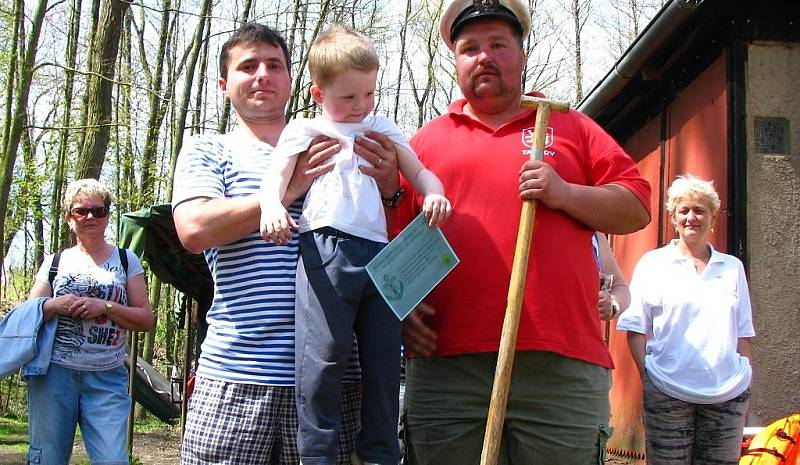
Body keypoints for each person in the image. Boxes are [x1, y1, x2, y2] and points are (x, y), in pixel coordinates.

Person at [396, 1, 652, 463]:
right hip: (447, 366)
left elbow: (636, 207)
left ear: (522, 54)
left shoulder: (568, 126)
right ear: (456, 61)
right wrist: (400, 315)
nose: (484, 57)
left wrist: (565, 194)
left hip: (560, 365)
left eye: (499, 44)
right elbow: (393, 243)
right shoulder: (423, 145)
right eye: (470, 48)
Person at [171, 22, 401, 465]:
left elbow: (386, 239)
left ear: (294, 80)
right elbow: (195, 230)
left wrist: (391, 189)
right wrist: (285, 191)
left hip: (338, 382)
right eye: (247, 66)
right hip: (237, 376)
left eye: (274, 65)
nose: (262, 75)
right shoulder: (209, 149)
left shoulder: (348, 135)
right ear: (224, 85)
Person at [258, 25, 450, 465]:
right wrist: (271, 208)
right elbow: (274, 183)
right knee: (323, 357)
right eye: (349, 98)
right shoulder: (304, 130)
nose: (361, 106)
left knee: (384, 362)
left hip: (380, 258)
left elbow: (419, 173)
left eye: (369, 94)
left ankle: (381, 453)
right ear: (317, 93)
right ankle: (318, 454)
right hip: (325, 249)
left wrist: (434, 192)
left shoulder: (381, 127)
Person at [617, 175, 754, 465]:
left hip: (726, 393)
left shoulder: (732, 268)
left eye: (700, 210)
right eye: (684, 210)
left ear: (712, 217)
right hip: (667, 390)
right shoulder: (653, 264)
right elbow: (634, 329)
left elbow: (742, 333)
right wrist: (650, 377)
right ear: (673, 217)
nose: (692, 217)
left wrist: (744, 378)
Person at [26, 178, 154, 465]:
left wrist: (106, 306)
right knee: (47, 458)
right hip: (53, 374)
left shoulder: (126, 260)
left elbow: (146, 319)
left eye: (98, 211)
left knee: (113, 459)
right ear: (69, 216)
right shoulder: (55, 261)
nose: (90, 217)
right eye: (81, 211)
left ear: (108, 215)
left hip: (107, 376)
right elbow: (29, 313)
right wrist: (55, 304)